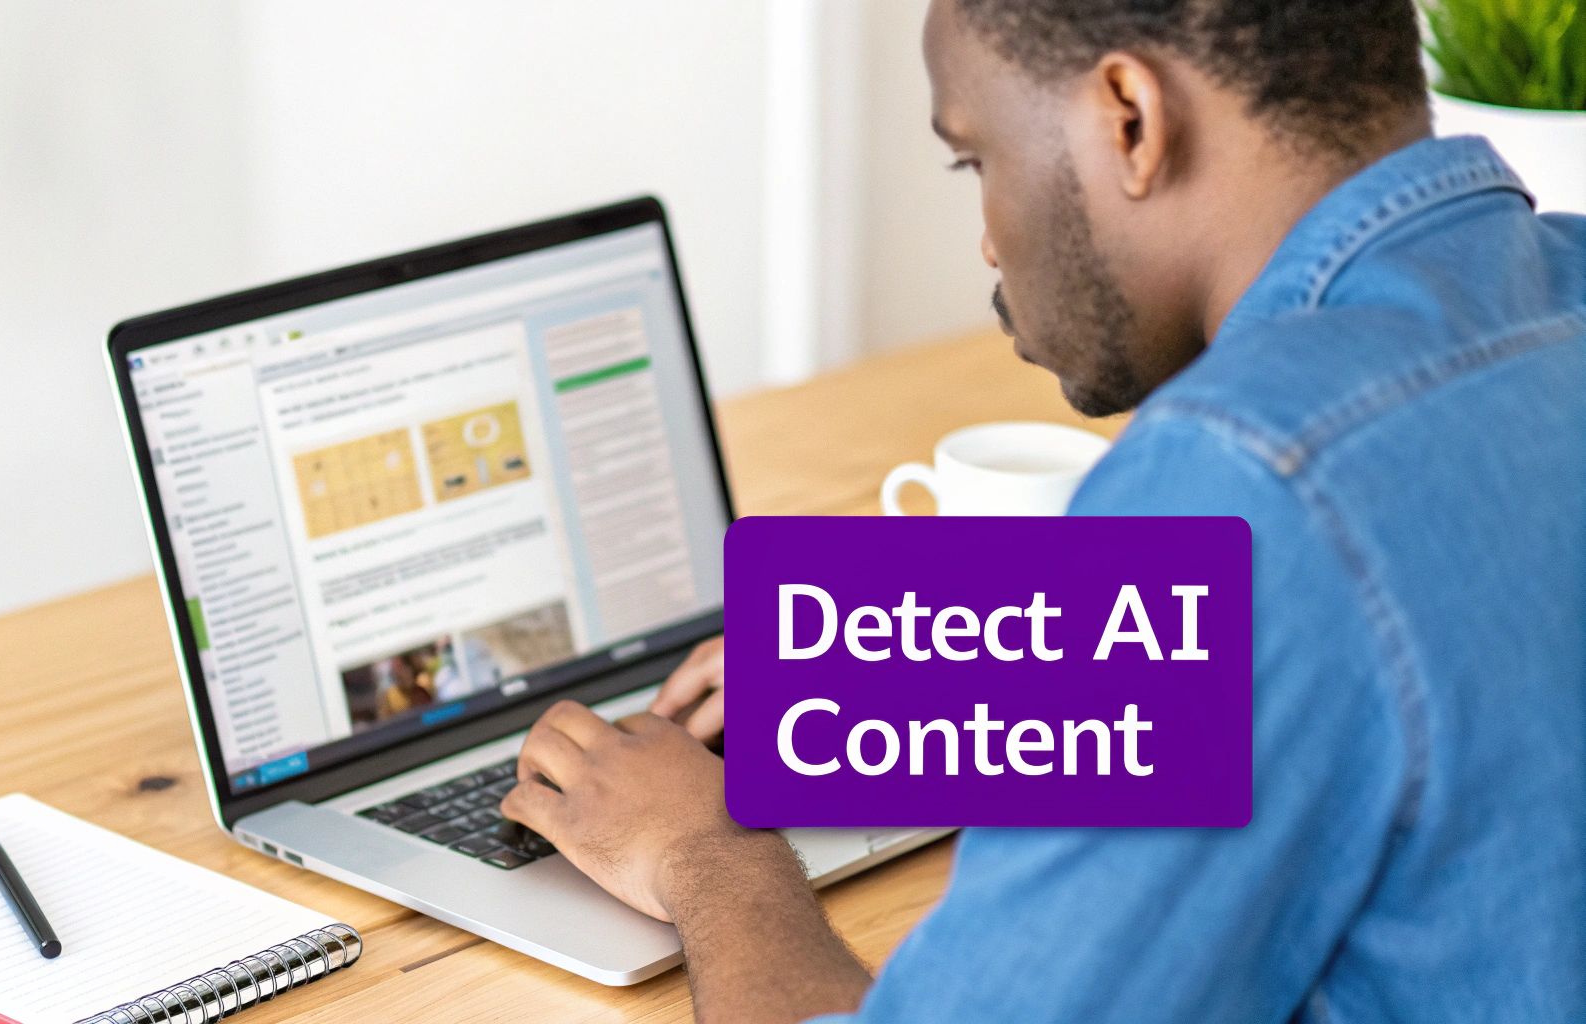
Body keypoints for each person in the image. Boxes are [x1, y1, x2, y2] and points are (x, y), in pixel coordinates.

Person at [497, 0, 1586, 1019]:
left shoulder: (1242, 483)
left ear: (1128, 117)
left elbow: (1291, 557)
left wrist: (709, 852)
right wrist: (958, 657)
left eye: (974, 157)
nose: (983, 236)